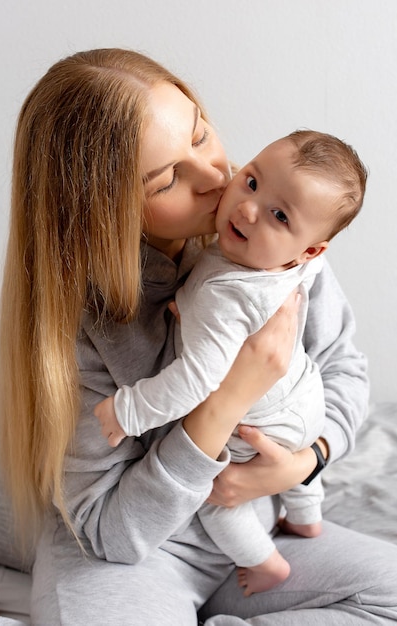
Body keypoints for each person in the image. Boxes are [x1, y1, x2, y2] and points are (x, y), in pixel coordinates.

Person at [0, 48, 397, 626]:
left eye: (200, 137)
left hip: (254, 536)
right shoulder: (83, 323)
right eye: (167, 178)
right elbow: (110, 533)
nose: (218, 180)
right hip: (137, 558)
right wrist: (224, 402)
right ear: (104, 212)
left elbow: (343, 368)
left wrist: (306, 461)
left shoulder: (276, 230)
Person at [94, 129, 367, 596]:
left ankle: (264, 561)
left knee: (216, 500)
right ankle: (306, 517)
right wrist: (305, 463)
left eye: (279, 215)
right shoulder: (293, 261)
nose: (246, 209)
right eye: (253, 181)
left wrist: (129, 411)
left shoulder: (226, 294)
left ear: (311, 248)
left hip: (266, 429)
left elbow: (197, 379)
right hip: (305, 401)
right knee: (292, 463)